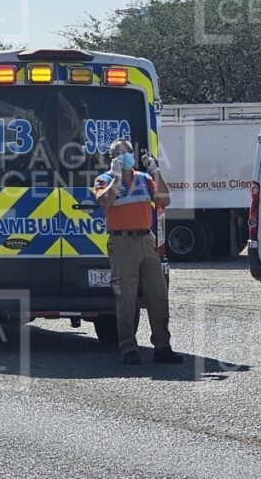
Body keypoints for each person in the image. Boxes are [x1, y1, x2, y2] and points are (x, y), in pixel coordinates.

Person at [94, 138, 180, 365]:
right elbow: (105, 203)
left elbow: (165, 200)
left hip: (146, 239)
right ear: (113, 159)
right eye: (120, 153)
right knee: (126, 298)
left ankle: (162, 347)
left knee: (158, 295)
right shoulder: (103, 180)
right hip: (122, 243)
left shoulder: (145, 179)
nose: (125, 156)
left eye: (128, 152)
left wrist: (157, 172)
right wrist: (117, 179)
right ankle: (129, 349)